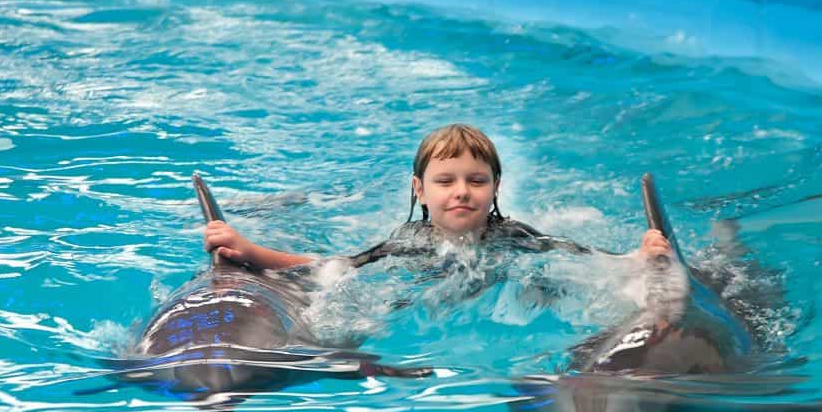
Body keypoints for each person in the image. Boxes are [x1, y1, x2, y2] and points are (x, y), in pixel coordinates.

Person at [203, 124, 671, 270]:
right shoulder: (408, 242)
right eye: (446, 182)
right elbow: (335, 267)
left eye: (477, 180)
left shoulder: (514, 235)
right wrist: (249, 251)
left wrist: (637, 257)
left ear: (495, 188)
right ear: (419, 191)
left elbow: (583, 255)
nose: (463, 192)